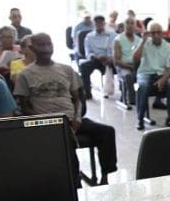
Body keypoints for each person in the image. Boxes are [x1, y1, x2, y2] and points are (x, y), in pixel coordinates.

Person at [14, 33, 117, 185]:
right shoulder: (25, 74)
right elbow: (24, 107)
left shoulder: (66, 69)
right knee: (66, 141)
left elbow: (77, 99)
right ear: (31, 48)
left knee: (107, 131)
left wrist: (77, 118)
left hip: (71, 118)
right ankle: (75, 185)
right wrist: (47, 121)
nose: (46, 49)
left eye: (48, 44)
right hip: (48, 123)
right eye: (41, 45)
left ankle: (105, 177)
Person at [133, 21, 170, 130]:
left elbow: (169, 68)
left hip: (162, 74)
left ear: (162, 33)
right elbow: (135, 58)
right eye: (153, 33)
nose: (156, 35)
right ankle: (140, 119)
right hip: (145, 73)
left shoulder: (169, 47)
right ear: (149, 33)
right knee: (142, 86)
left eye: (158, 32)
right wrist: (142, 41)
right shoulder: (144, 44)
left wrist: (163, 79)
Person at [80, 15, 116, 99]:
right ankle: (87, 92)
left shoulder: (112, 35)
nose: (99, 24)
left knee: (120, 64)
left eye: (101, 23)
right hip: (96, 59)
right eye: (97, 23)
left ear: (104, 23)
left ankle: (124, 93)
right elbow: (88, 53)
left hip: (110, 59)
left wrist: (110, 58)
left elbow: (117, 49)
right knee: (84, 66)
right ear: (94, 24)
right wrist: (96, 57)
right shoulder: (89, 37)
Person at [113, 15, 142, 108]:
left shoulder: (139, 40)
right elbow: (116, 60)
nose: (130, 25)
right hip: (124, 66)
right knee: (128, 75)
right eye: (127, 23)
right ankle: (132, 99)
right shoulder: (118, 40)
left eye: (132, 23)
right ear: (124, 25)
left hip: (138, 65)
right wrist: (129, 66)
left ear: (135, 26)